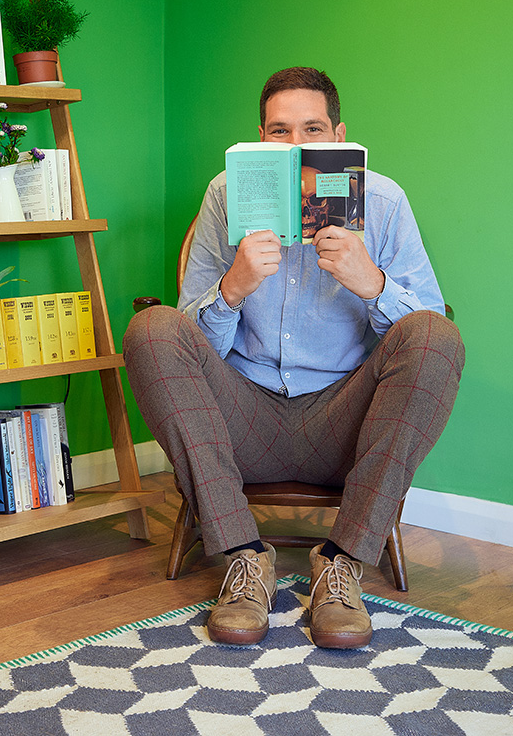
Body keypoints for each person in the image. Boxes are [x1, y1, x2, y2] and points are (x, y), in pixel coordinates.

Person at [123, 67, 464, 649]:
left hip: (344, 423)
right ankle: (244, 557)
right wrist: (232, 287)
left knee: (436, 336)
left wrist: (373, 284)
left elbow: (430, 325)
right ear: (260, 138)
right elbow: (188, 351)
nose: (296, 144)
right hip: (242, 418)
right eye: (280, 132)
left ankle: (342, 566)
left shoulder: (383, 201)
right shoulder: (224, 197)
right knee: (151, 328)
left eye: (312, 129)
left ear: (338, 137)